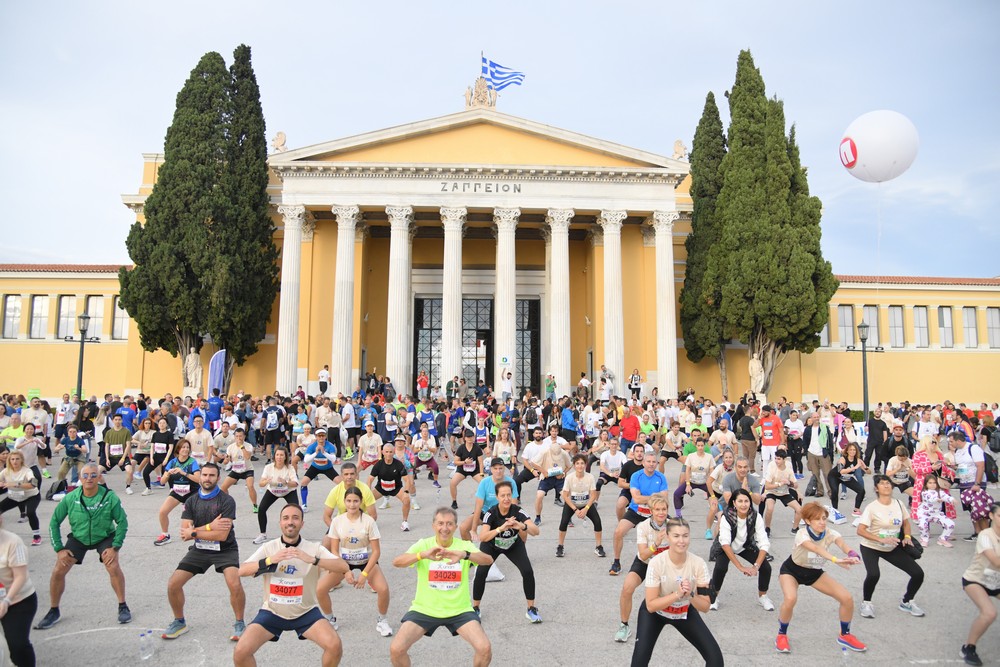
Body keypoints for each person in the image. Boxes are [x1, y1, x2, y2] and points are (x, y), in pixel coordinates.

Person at [234, 503, 346, 666]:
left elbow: (343, 567)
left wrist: (313, 560)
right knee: (241, 652)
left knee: (334, 646)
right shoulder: (269, 547)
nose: (290, 522)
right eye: (285, 518)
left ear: (302, 523)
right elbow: (242, 570)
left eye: (295, 518)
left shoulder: (313, 548)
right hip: (272, 612)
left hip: (305, 612)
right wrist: (269, 560)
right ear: (280, 523)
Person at [390, 507, 493, 667]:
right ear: (433, 525)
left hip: (460, 610)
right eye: (440, 523)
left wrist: (465, 555)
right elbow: (397, 562)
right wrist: (422, 555)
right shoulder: (424, 544)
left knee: (484, 648)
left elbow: (488, 560)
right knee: (396, 649)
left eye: (449, 524)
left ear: (455, 527)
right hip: (424, 609)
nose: (444, 528)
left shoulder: (463, 546)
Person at [36, 462, 130, 630]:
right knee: (58, 570)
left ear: (99, 477)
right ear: (79, 478)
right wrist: (59, 548)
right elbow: (54, 523)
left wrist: (115, 547)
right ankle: (53, 610)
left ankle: (122, 605)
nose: (89, 478)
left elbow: (122, 522)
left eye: (94, 475)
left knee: (113, 566)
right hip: (79, 538)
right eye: (85, 475)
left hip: (104, 537)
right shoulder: (71, 498)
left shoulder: (110, 497)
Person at [161, 462, 246, 641]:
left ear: (218, 478)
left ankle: (239, 623)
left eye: (211, 475)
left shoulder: (226, 500)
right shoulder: (192, 500)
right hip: (200, 549)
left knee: (235, 584)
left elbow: (222, 535)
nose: (207, 478)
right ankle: (179, 621)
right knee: (173, 584)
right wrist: (209, 527)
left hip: (225, 549)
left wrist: (196, 531)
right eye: (205, 475)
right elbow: (185, 533)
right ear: (200, 477)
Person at [630, 517, 723, 666]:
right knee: (638, 662)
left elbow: (705, 607)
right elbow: (651, 606)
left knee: (716, 659)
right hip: (656, 614)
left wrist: (690, 595)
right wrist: (677, 595)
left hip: (684, 611)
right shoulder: (656, 563)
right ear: (667, 537)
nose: (681, 541)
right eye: (676, 536)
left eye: (685, 536)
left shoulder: (698, 563)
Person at [774, 502, 865, 654]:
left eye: (824, 518)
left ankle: (845, 635)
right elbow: (815, 548)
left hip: (814, 573)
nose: (822, 522)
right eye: (817, 519)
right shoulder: (802, 533)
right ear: (808, 521)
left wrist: (852, 555)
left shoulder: (831, 533)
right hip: (792, 571)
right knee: (790, 599)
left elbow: (843, 545)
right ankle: (781, 634)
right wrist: (836, 560)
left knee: (847, 598)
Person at [317, 486, 392, 637]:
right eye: (349, 501)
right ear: (344, 502)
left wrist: (364, 574)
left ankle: (382, 621)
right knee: (320, 589)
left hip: (366, 560)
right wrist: (345, 571)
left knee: (383, 589)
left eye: (355, 501)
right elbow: (334, 550)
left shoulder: (369, 521)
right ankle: (330, 619)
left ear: (361, 502)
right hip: (344, 561)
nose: (352, 505)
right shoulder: (337, 521)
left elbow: (376, 552)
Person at [856, 474, 926, 619]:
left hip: (892, 546)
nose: (886, 486)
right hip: (871, 546)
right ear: (876, 488)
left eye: (888, 483)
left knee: (918, 573)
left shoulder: (899, 504)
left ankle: (907, 601)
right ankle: (866, 603)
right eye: (882, 483)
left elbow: (906, 523)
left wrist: (906, 537)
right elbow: (860, 530)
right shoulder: (872, 507)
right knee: (874, 574)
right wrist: (880, 539)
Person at [472, 481, 541, 621]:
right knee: (481, 573)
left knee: (527, 571)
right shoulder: (491, 513)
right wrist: (500, 529)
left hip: (512, 545)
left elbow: (536, 531)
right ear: (497, 497)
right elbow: (483, 537)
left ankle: (531, 609)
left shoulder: (518, 511)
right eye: (503, 495)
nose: (506, 498)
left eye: (509, 495)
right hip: (491, 545)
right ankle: (475, 608)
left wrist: (521, 525)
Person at [614, 493, 670, 643]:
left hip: (665, 565)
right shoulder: (642, 527)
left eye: (664, 509)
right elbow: (644, 554)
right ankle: (624, 625)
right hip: (645, 562)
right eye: (657, 509)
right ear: (651, 511)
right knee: (627, 588)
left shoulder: (673, 526)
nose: (661, 513)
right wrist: (656, 544)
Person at [712, 489, 774, 611]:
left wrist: (756, 566)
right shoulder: (727, 517)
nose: (744, 504)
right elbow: (725, 543)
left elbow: (764, 543)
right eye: (740, 501)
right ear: (734, 503)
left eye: (746, 501)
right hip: (727, 547)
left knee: (766, 567)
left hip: (745, 545)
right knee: (720, 567)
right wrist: (741, 567)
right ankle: (713, 597)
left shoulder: (756, 516)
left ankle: (763, 597)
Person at [610, 452, 669, 576]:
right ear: (643, 463)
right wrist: (654, 497)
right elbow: (636, 499)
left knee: (675, 531)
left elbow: (664, 498)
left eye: (654, 462)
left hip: (655, 513)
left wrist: (647, 498)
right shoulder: (636, 476)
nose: (651, 464)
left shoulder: (661, 477)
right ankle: (616, 562)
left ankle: (670, 562)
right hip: (636, 511)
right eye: (649, 461)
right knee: (618, 532)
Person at [959, 502, 1000, 666]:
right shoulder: (985, 535)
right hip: (976, 580)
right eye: (999, 516)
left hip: (996, 581)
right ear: (991, 516)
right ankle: (968, 647)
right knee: (989, 613)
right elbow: (996, 561)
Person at [0, 513, 37, 666]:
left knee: (17, 645)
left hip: (18, 600)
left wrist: (7, 601)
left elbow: (20, 576)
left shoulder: (13, 541)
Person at [154, 439, 202, 546]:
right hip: (177, 491)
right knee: (162, 512)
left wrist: (184, 473)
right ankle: (165, 535)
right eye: (183, 447)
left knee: (185, 533)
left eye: (187, 447)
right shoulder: (172, 462)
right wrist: (167, 474)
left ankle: (200, 539)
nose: (185, 449)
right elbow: (162, 481)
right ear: (178, 449)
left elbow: (198, 479)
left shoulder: (192, 462)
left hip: (191, 492)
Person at [556, 454, 605, 557]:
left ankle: (599, 546)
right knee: (563, 522)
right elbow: (565, 495)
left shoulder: (590, 477)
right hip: (572, 504)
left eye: (582, 463)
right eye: (577, 463)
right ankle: (560, 546)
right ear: (574, 465)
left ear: (586, 465)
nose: (580, 466)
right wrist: (575, 510)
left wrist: (586, 508)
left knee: (598, 522)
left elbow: (593, 494)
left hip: (586, 504)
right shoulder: (569, 477)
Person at [253, 447, 300, 545]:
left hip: (288, 491)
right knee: (261, 509)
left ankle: (295, 535)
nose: (279, 457)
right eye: (277, 455)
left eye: (282, 455)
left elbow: (295, 483)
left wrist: (286, 482)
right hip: (273, 491)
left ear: (285, 457)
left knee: (297, 512)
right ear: (274, 456)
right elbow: (260, 483)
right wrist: (266, 481)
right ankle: (263, 534)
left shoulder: (290, 468)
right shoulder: (268, 467)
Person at [370, 443, 414, 532]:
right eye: (386, 452)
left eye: (390, 452)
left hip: (396, 488)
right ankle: (369, 522)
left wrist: (406, 492)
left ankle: (404, 522)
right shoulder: (378, 464)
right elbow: (370, 479)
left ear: (394, 452)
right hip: (381, 488)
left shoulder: (398, 464)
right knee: (365, 500)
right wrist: (367, 491)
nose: (388, 454)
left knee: (407, 500)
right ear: (382, 452)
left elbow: (407, 480)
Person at [0, 451, 42, 546]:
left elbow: (34, 484)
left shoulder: (27, 471)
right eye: (12, 459)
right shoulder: (6, 471)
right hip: (14, 497)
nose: (15, 461)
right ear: (9, 461)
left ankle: (37, 536)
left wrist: (15, 484)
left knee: (30, 512)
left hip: (31, 496)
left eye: (17, 459)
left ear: (21, 460)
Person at [322, 463, 377, 527]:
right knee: (326, 537)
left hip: (362, 523)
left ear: (356, 474)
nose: (349, 477)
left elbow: (373, 515)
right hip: (342, 524)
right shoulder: (335, 491)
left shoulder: (365, 489)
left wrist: (363, 529)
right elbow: (326, 516)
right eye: (346, 474)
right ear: (341, 476)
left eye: (352, 474)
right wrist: (336, 530)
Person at [762, 450, 803, 536]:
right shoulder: (772, 468)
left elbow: (796, 485)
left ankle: (795, 528)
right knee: (770, 508)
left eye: (779, 459)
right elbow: (767, 486)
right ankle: (767, 528)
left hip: (784, 492)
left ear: (784, 459)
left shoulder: (788, 470)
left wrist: (789, 483)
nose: (776, 461)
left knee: (799, 509)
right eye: (775, 458)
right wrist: (779, 484)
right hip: (772, 492)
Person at [300, 429, 340, 513]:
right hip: (315, 467)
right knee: (303, 482)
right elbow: (306, 460)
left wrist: (324, 452)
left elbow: (333, 459)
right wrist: (315, 453)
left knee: (342, 483)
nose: (321, 437)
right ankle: (304, 504)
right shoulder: (311, 446)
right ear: (316, 437)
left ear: (325, 436)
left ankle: (343, 503)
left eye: (323, 435)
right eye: (319, 436)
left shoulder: (330, 446)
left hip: (328, 468)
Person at [221, 428, 259, 512]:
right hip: (236, 470)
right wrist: (226, 460)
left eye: (240, 436)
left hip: (247, 470)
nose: (239, 438)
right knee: (223, 488)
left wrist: (242, 446)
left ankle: (255, 505)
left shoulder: (248, 446)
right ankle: (228, 502)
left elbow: (247, 457)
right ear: (234, 437)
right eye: (237, 436)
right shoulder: (230, 447)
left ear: (244, 436)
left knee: (250, 486)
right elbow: (225, 461)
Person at [828, 442, 868, 518]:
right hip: (834, 476)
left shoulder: (858, 460)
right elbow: (841, 471)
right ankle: (835, 511)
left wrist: (865, 467)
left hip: (845, 477)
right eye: (850, 450)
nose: (852, 452)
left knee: (861, 491)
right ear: (847, 451)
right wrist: (855, 468)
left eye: (854, 450)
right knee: (835, 492)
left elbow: (868, 472)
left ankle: (856, 510)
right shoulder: (842, 459)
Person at [915, 473, 955, 547]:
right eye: (930, 483)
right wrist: (937, 499)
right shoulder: (924, 492)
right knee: (922, 525)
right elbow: (930, 498)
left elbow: (945, 496)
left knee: (950, 524)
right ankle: (924, 539)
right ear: (926, 484)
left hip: (936, 513)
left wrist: (951, 499)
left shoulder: (940, 491)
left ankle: (943, 539)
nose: (932, 485)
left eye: (934, 483)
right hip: (924, 513)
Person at [100, 414, 136, 495]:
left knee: (129, 471)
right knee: (97, 471)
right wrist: (107, 458)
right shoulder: (109, 432)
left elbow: (128, 445)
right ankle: (104, 487)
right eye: (116, 419)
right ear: (113, 420)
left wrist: (123, 458)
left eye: (119, 419)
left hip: (122, 456)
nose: (117, 421)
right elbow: (106, 446)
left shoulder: (126, 431)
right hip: (111, 457)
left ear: (122, 420)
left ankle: (128, 487)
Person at [450, 431, 485, 510]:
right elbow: (455, 462)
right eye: (468, 437)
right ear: (465, 438)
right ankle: (454, 501)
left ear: (474, 438)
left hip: (474, 470)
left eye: (471, 437)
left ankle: (483, 502)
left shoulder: (477, 448)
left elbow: (481, 462)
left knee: (484, 483)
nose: (470, 439)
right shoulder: (461, 448)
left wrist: (482, 474)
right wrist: (465, 462)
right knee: (452, 483)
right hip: (463, 469)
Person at [144, 417, 176, 495]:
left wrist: (166, 459)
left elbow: (171, 447)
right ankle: (148, 488)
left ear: (166, 424)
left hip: (166, 456)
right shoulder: (155, 434)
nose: (162, 425)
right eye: (160, 423)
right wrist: (151, 458)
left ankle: (171, 489)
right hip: (157, 456)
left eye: (163, 423)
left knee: (168, 472)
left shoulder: (169, 434)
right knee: (145, 472)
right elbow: (152, 447)